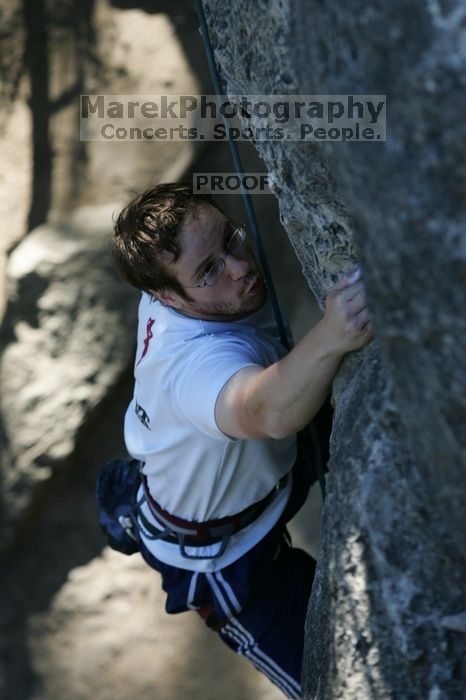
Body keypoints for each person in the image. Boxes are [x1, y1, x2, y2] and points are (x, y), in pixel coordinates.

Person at [111, 183, 373, 698]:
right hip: (225, 559)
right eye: (208, 271)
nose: (239, 267)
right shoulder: (191, 369)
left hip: (245, 473)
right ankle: (132, 517)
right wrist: (334, 333)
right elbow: (264, 409)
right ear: (165, 296)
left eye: (230, 238)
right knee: (334, 685)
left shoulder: (163, 279)